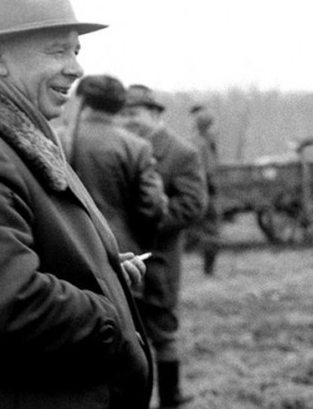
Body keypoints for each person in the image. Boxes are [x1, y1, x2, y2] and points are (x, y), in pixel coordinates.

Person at [0, 0, 152, 408]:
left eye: (77, 50)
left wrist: (102, 271)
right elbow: (5, 307)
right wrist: (112, 313)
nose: (76, 68)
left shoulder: (3, 134)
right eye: (56, 50)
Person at [120, 84, 207, 408]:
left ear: (156, 115)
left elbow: (192, 205)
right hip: (122, 259)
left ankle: (171, 396)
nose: (127, 120)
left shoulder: (182, 153)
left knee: (162, 329)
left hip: (159, 259)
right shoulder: (117, 147)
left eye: (134, 113)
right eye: (122, 114)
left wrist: (150, 222)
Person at [58, 74, 168, 256]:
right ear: (119, 105)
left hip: (66, 246)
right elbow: (153, 205)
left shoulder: (57, 138)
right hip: (121, 250)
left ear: (82, 100)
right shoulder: (137, 147)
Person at [185, 104, 223, 276]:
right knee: (210, 230)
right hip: (205, 191)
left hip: (196, 190)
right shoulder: (202, 144)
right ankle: (209, 268)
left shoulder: (196, 142)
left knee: (203, 229)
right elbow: (208, 171)